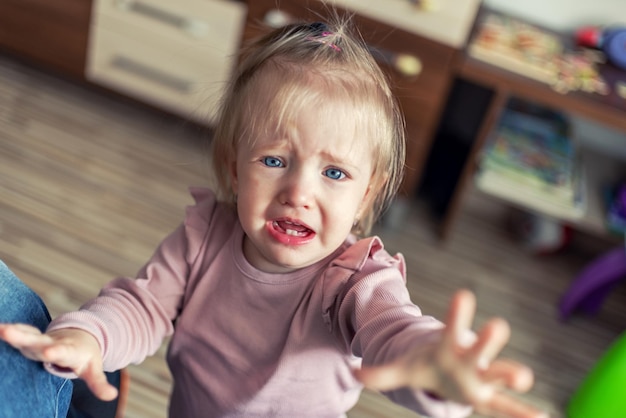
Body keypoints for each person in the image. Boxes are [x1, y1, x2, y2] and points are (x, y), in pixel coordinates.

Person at [0, 20, 547, 418]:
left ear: (366, 197)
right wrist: (87, 337)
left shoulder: (357, 280)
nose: (298, 192)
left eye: (334, 174)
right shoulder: (203, 238)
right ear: (234, 170)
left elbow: (394, 331)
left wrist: (435, 366)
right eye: (275, 161)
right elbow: (140, 307)